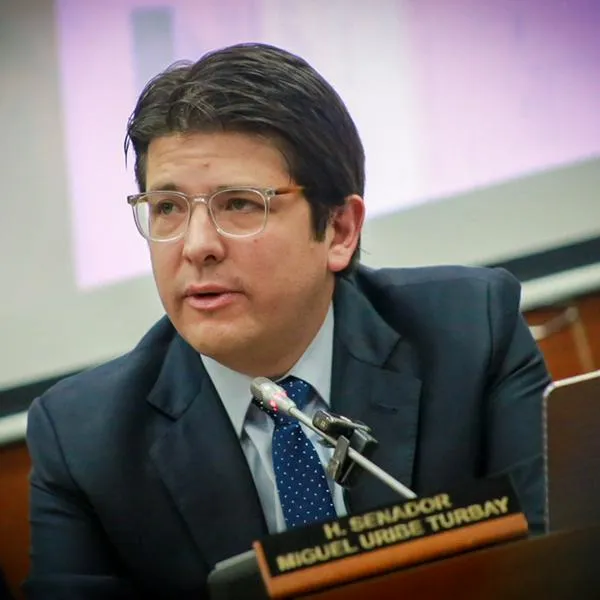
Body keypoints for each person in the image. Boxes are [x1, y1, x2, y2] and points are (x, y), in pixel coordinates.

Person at [25, 43, 550, 599]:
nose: (197, 246)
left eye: (239, 204)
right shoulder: (84, 441)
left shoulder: (471, 334)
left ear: (340, 230)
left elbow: (551, 560)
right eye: (168, 208)